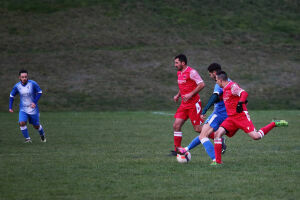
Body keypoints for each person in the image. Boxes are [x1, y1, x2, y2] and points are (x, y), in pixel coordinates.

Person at [212, 71, 288, 165]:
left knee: (256, 136)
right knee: (217, 134)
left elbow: (244, 93)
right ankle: (218, 162)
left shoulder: (232, 86)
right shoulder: (224, 89)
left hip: (241, 117)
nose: (216, 83)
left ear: (220, 80)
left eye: (216, 81)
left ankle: (274, 123)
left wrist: (240, 103)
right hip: (231, 118)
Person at [176, 63, 228, 163]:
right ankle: (186, 149)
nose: (210, 76)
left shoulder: (219, 84)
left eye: (210, 74)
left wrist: (204, 110)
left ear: (214, 73)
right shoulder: (229, 82)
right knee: (204, 133)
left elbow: (215, 96)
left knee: (203, 135)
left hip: (219, 114)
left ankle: (216, 160)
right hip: (227, 114)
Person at [170, 54, 205, 156]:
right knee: (176, 125)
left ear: (183, 63)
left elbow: (202, 84)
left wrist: (190, 94)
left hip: (194, 104)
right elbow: (183, 86)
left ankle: (218, 137)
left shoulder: (192, 72)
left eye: (177, 63)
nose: (175, 65)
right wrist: (178, 95)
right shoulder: (179, 73)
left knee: (198, 129)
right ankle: (177, 150)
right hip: (184, 104)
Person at [9, 69, 46, 143]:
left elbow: (39, 92)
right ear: (19, 77)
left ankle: (42, 135)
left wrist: (34, 102)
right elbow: (11, 95)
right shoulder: (17, 86)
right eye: (22, 77)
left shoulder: (33, 83)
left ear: (27, 76)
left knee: (36, 126)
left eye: (25, 76)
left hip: (33, 109)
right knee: (22, 122)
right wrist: (10, 107)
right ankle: (28, 139)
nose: (24, 78)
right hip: (23, 108)